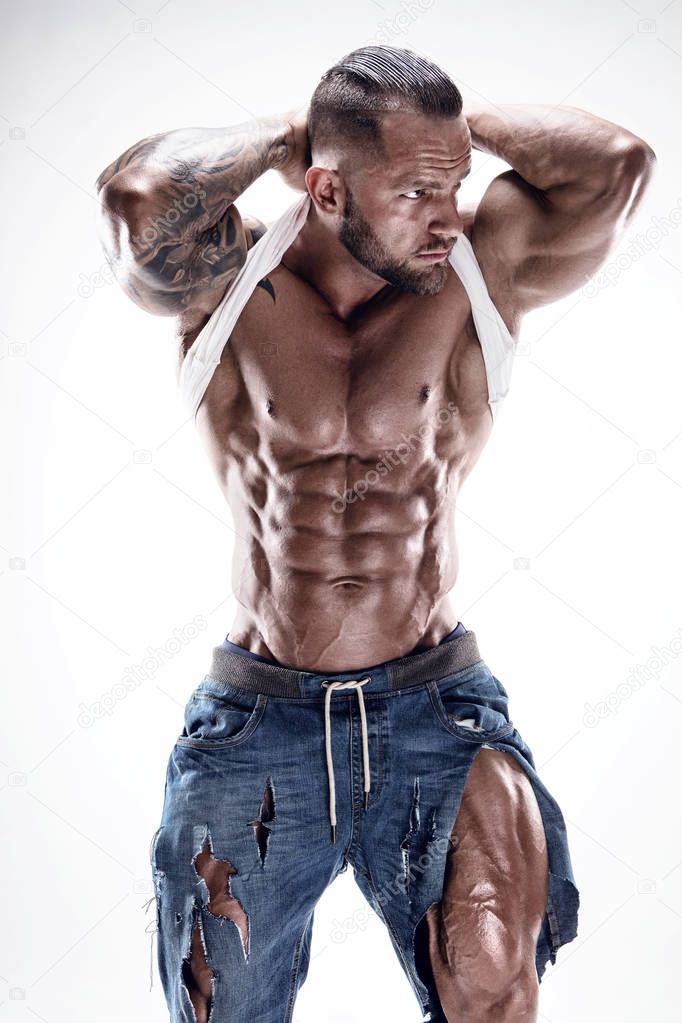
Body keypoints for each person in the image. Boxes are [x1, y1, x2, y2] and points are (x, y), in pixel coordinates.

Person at [95, 44, 655, 1023]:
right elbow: (136, 197)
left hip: (433, 708)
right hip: (259, 720)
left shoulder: (481, 266)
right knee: (219, 1002)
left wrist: (450, 135)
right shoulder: (227, 280)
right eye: (414, 192)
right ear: (324, 188)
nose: (446, 215)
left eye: (455, 187)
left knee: (490, 975)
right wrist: (289, 132)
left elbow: (617, 164)